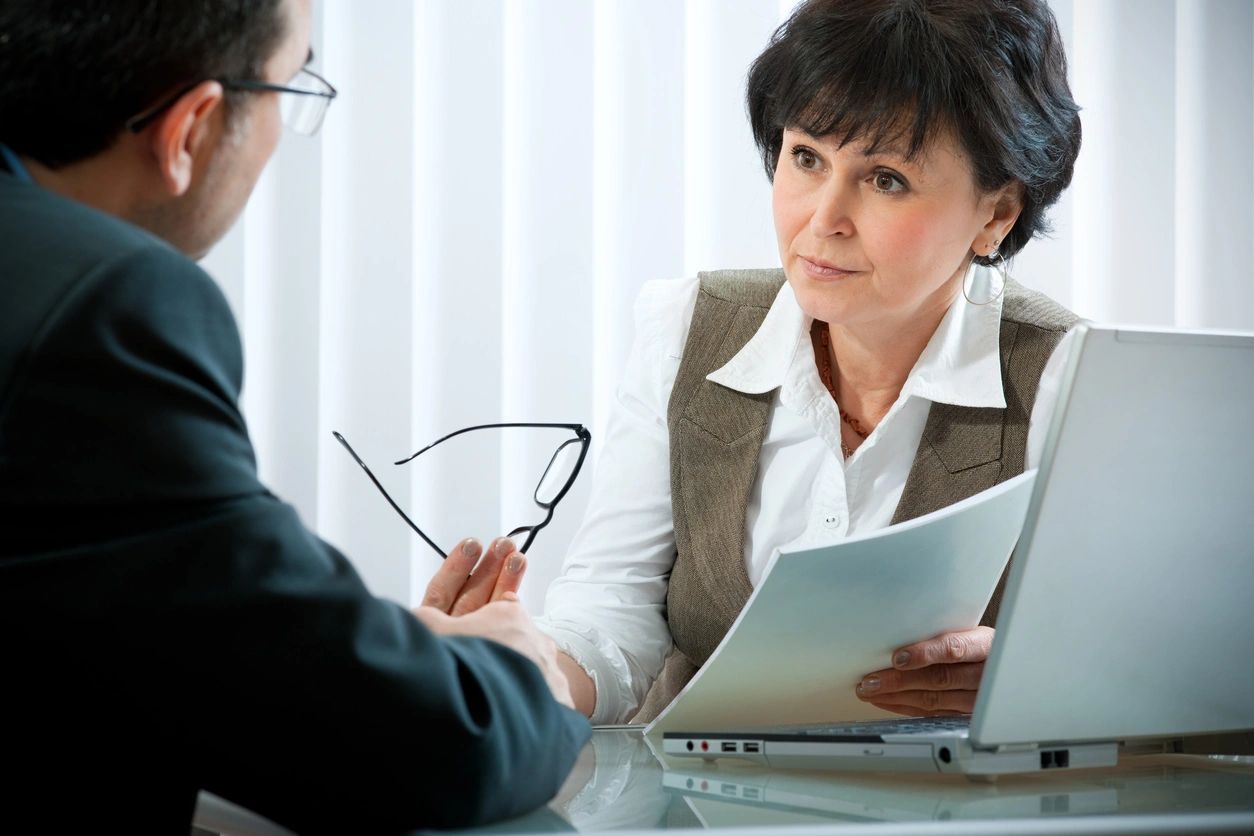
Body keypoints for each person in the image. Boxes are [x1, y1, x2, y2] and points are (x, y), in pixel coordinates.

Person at [0, 0, 588, 831]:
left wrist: (376, 655)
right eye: (290, 88)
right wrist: (505, 670)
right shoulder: (101, 307)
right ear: (192, 127)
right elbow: (426, 747)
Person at [521, 0, 1083, 724]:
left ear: (996, 214)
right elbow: (612, 609)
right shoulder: (688, 327)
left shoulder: (1068, 375)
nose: (823, 219)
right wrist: (521, 675)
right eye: (806, 158)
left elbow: (1135, 660)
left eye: (886, 180)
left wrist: (1034, 679)